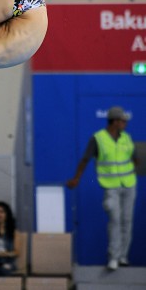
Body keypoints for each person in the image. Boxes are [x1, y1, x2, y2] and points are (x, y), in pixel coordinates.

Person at [66, 106, 138, 271]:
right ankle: (113, 257)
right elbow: (85, 160)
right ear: (115, 122)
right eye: (123, 121)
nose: (125, 123)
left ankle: (122, 256)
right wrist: (76, 178)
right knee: (115, 219)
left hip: (129, 186)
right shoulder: (97, 139)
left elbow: (134, 158)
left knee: (127, 221)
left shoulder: (127, 138)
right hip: (111, 187)